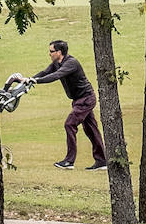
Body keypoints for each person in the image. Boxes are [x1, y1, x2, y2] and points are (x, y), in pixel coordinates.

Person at [32, 39, 107, 171]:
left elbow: (56, 76)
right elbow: (45, 73)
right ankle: (102, 161)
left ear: (59, 52)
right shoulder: (56, 63)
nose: (49, 54)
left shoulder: (71, 63)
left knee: (69, 124)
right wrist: (29, 79)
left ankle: (69, 161)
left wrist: (36, 82)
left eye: (51, 51)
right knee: (91, 129)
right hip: (79, 100)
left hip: (85, 99)